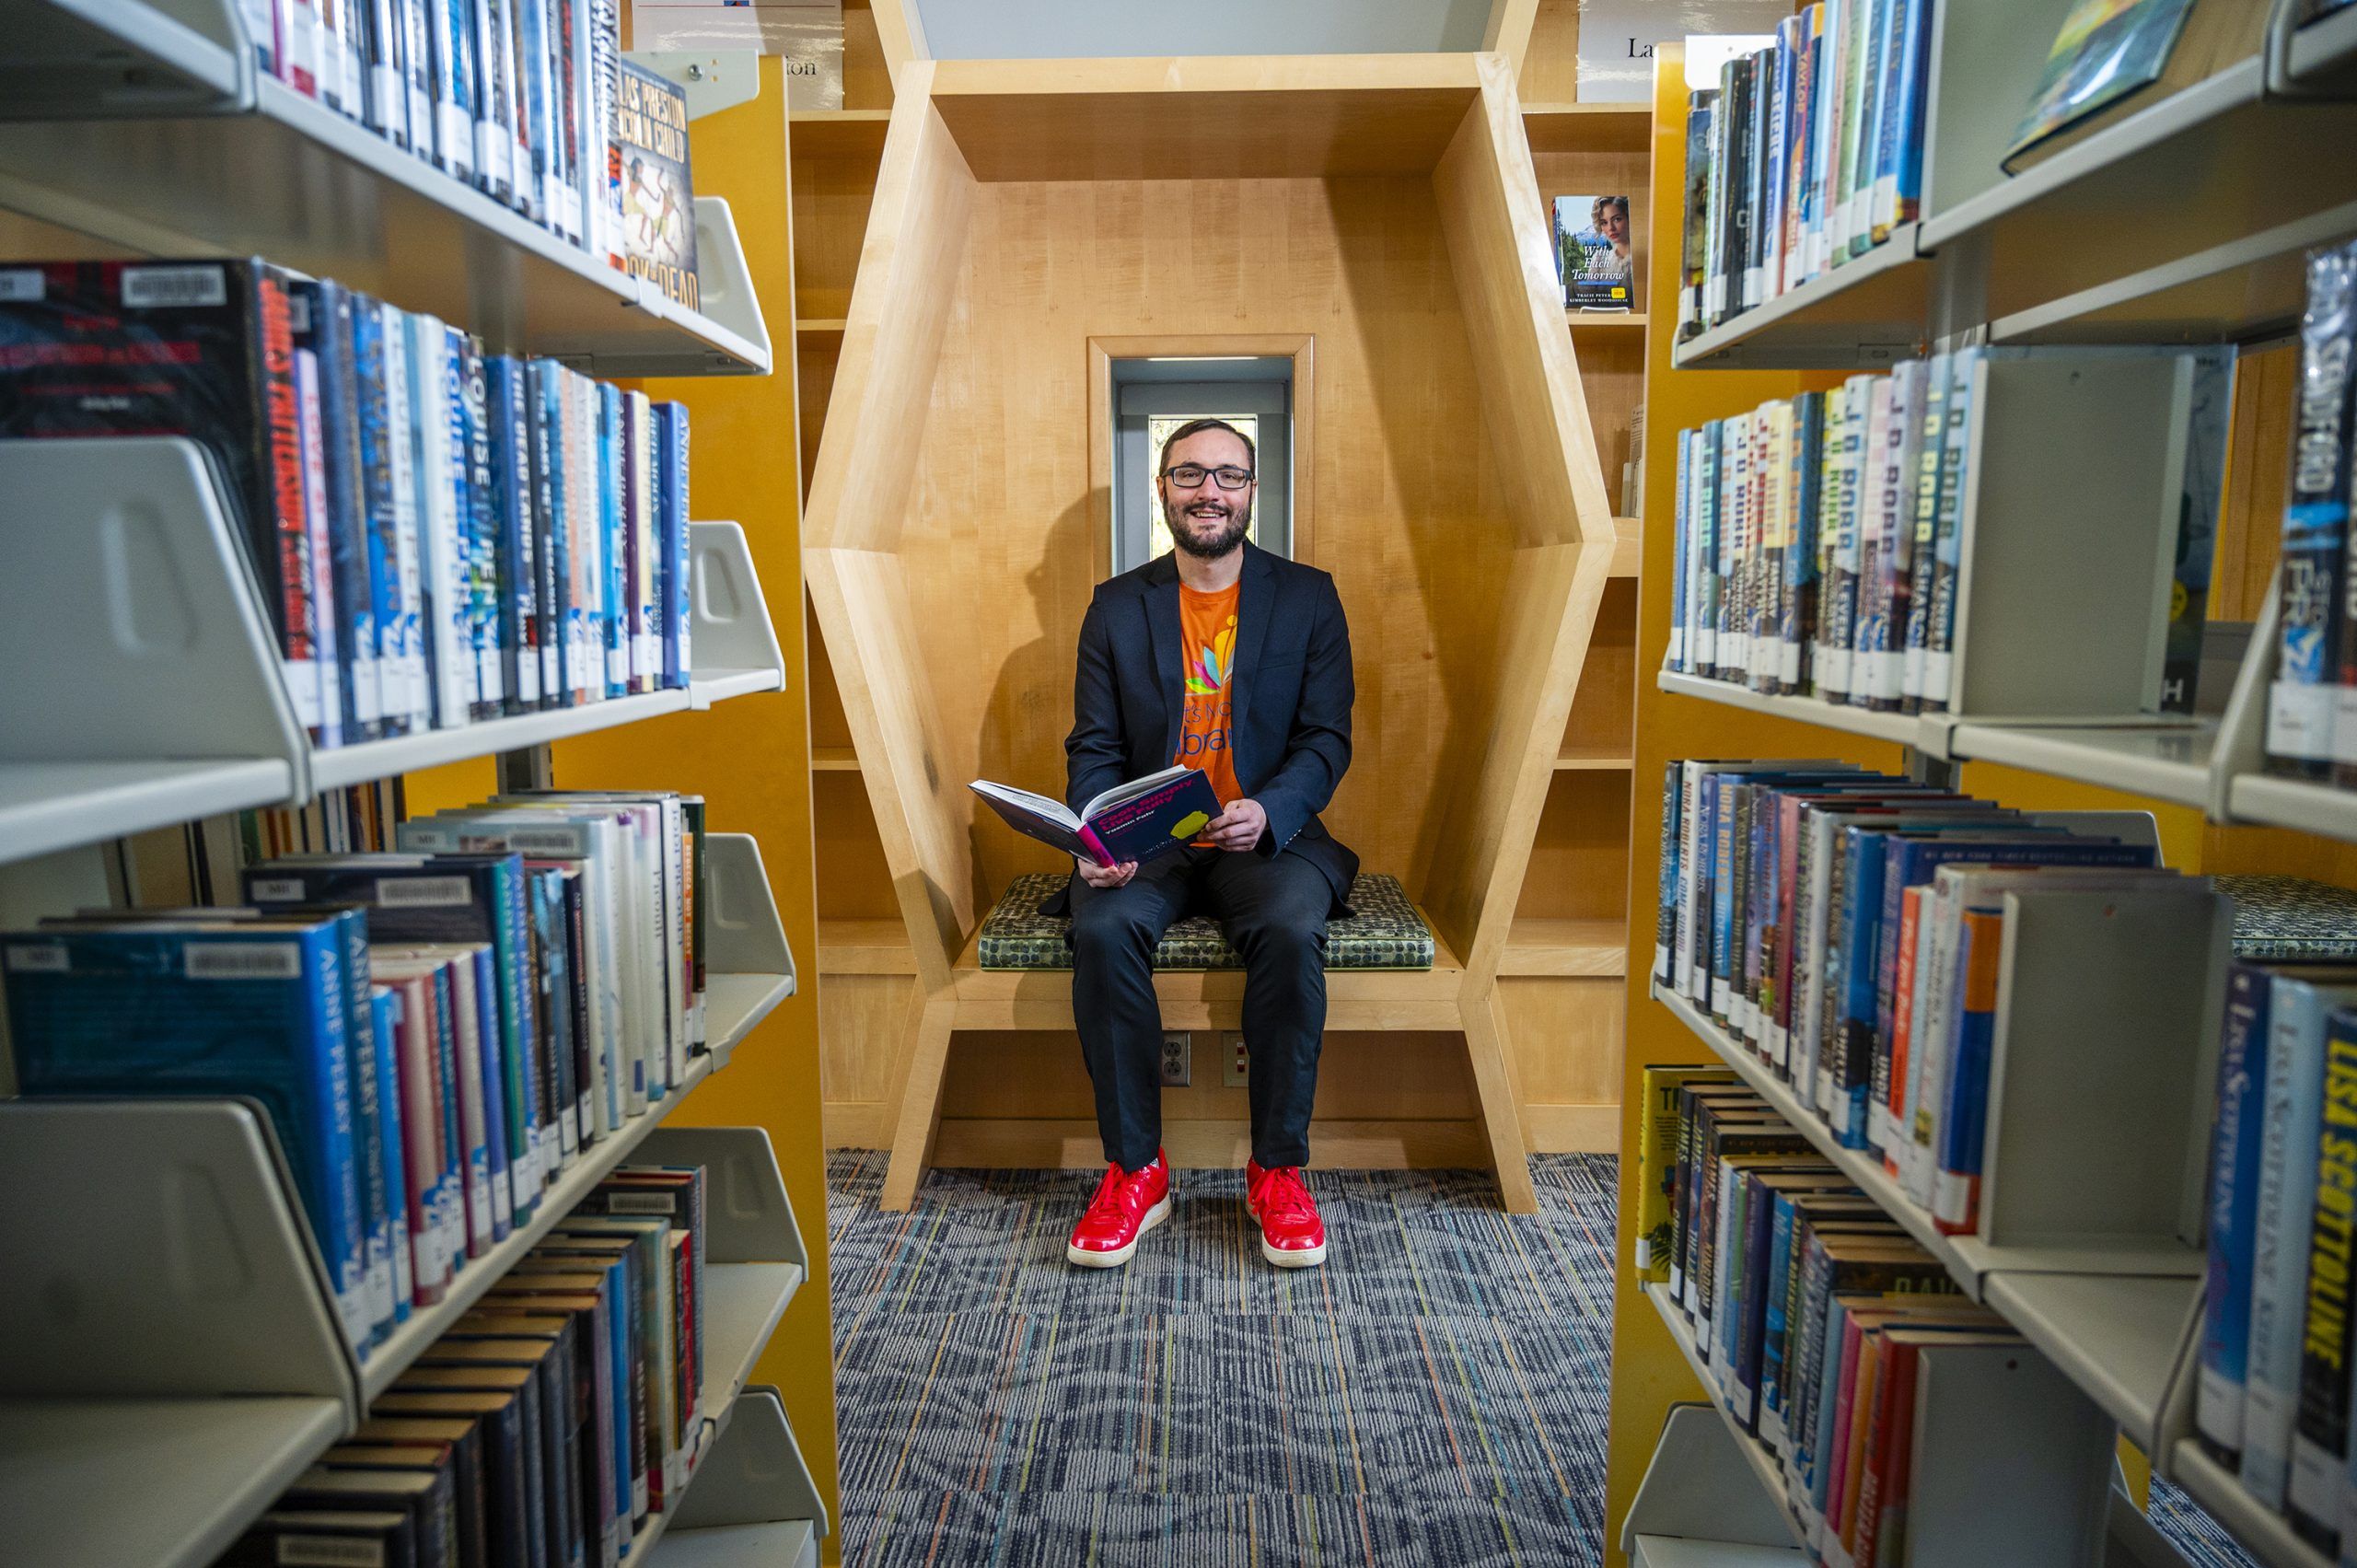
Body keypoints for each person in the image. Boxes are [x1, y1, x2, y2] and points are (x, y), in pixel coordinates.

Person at [1056, 417, 1356, 1271]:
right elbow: (1095, 746)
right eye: (1189, 475)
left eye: (1228, 475)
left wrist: (1269, 809)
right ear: (1162, 490)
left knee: (1294, 931)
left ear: (1253, 490)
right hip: (1152, 840)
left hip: (1263, 835)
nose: (1209, 492)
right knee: (1105, 927)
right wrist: (1095, 831)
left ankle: (1278, 1170)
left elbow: (1326, 738)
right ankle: (1136, 1169)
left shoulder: (1309, 596)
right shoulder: (1117, 605)